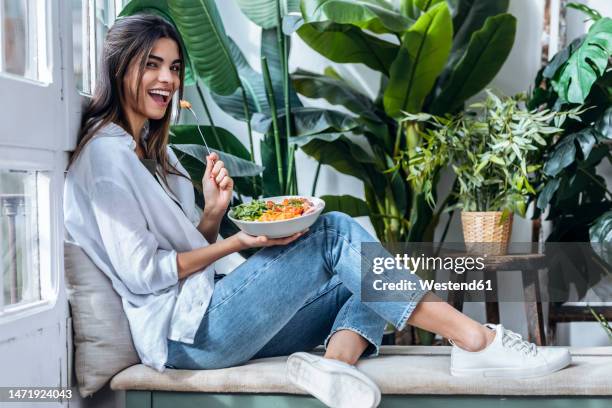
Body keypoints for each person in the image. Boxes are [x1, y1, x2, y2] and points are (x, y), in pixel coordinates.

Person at [63, 14, 572, 408]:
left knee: (369, 269)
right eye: (151, 63)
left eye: (174, 67)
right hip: (184, 337)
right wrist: (238, 240)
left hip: (206, 316)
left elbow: (179, 250)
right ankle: (475, 341)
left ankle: (334, 368)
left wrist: (213, 217)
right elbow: (145, 272)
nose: (167, 79)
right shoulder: (107, 157)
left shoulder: (153, 151)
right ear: (119, 65)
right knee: (333, 233)